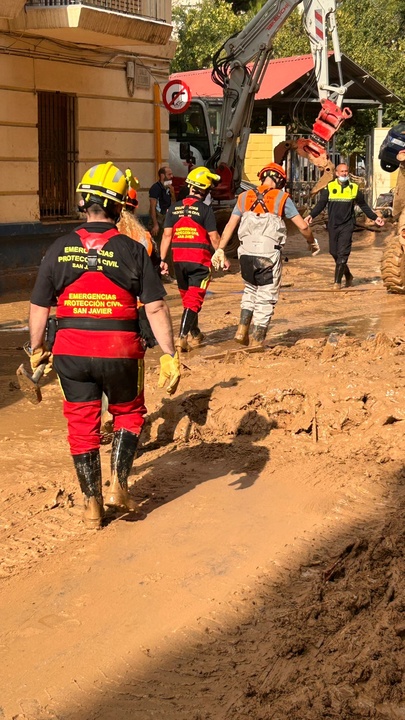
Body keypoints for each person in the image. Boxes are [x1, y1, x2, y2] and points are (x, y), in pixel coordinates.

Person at [28, 161, 181, 530]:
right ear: (118, 208)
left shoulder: (58, 248)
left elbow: (39, 307)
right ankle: (118, 488)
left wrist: (35, 349)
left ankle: (92, 505)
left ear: (83, 203)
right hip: (121, 349)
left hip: (70, 350)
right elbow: (156, 306)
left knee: (82, 425)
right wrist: (170, 355)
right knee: (128, 413)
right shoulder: (132, 249)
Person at [212, 162, 319, 347]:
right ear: (280, 181)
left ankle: (241, 330)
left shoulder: (244, 197)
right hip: (268, 253)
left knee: (250, 290)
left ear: (262, 177)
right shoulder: (281, 197)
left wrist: (220, 249)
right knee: (266, 297)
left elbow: (230, 225)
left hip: (245, 253)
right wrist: (311, 242)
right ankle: (257, 340)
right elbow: (303, 226)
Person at [160, 166, 221, 352]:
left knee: (188, 300)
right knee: (194, 300)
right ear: (205, 190)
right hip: (199, 261)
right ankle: (181, 338)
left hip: (178, 261)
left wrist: (162, 260)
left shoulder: (174, 208)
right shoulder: (205, 210)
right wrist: (222, 255)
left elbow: (166, 236)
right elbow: (214, 238)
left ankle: (195, 333)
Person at [306, 162, 385, 289]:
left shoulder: (354, 188)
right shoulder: (330, 187)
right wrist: (311, 215)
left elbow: (364, 205)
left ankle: (337, 282)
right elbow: (321, 204)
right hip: (333, 225)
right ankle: (348, 275)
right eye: (342, 171)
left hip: (347, 225)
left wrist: (375, 218)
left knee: (343, 253)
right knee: (334, 252)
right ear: (337, 173)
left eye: (346, 171)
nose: (344, 173)